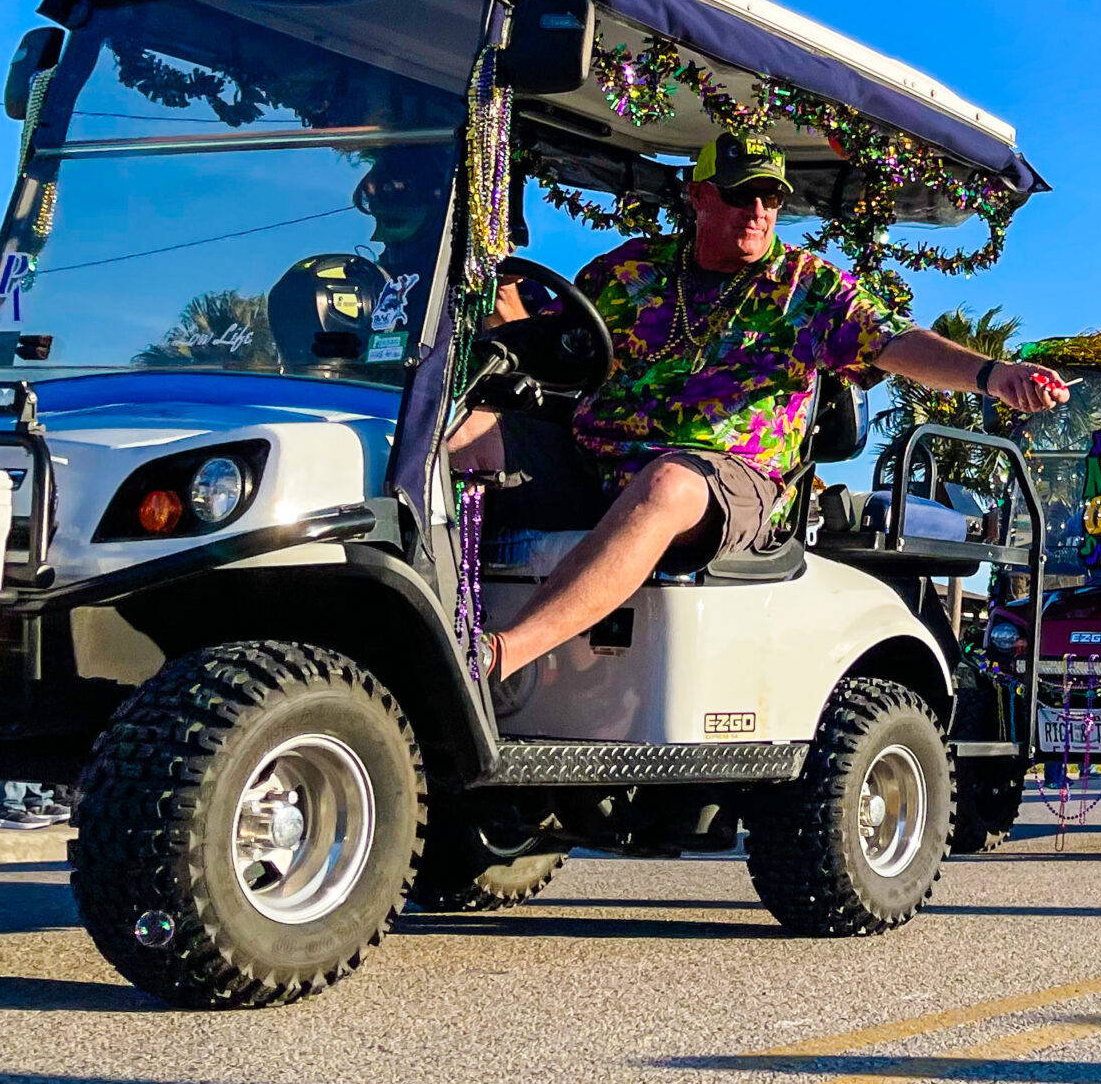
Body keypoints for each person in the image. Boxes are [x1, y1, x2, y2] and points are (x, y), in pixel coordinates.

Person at [456, 133, 1069, 679]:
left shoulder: (807, 287)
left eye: (769, 199)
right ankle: (420, 613)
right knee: (461, 430)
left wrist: (993, 374)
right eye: (739, 194)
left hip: (726, 479)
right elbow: (545, 340)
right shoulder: (629, 270)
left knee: (666, 483)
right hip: (597, 460)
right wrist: (493, 284)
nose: (757, 212)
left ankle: (496, 657)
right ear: (699, 197)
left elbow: (894, 340)